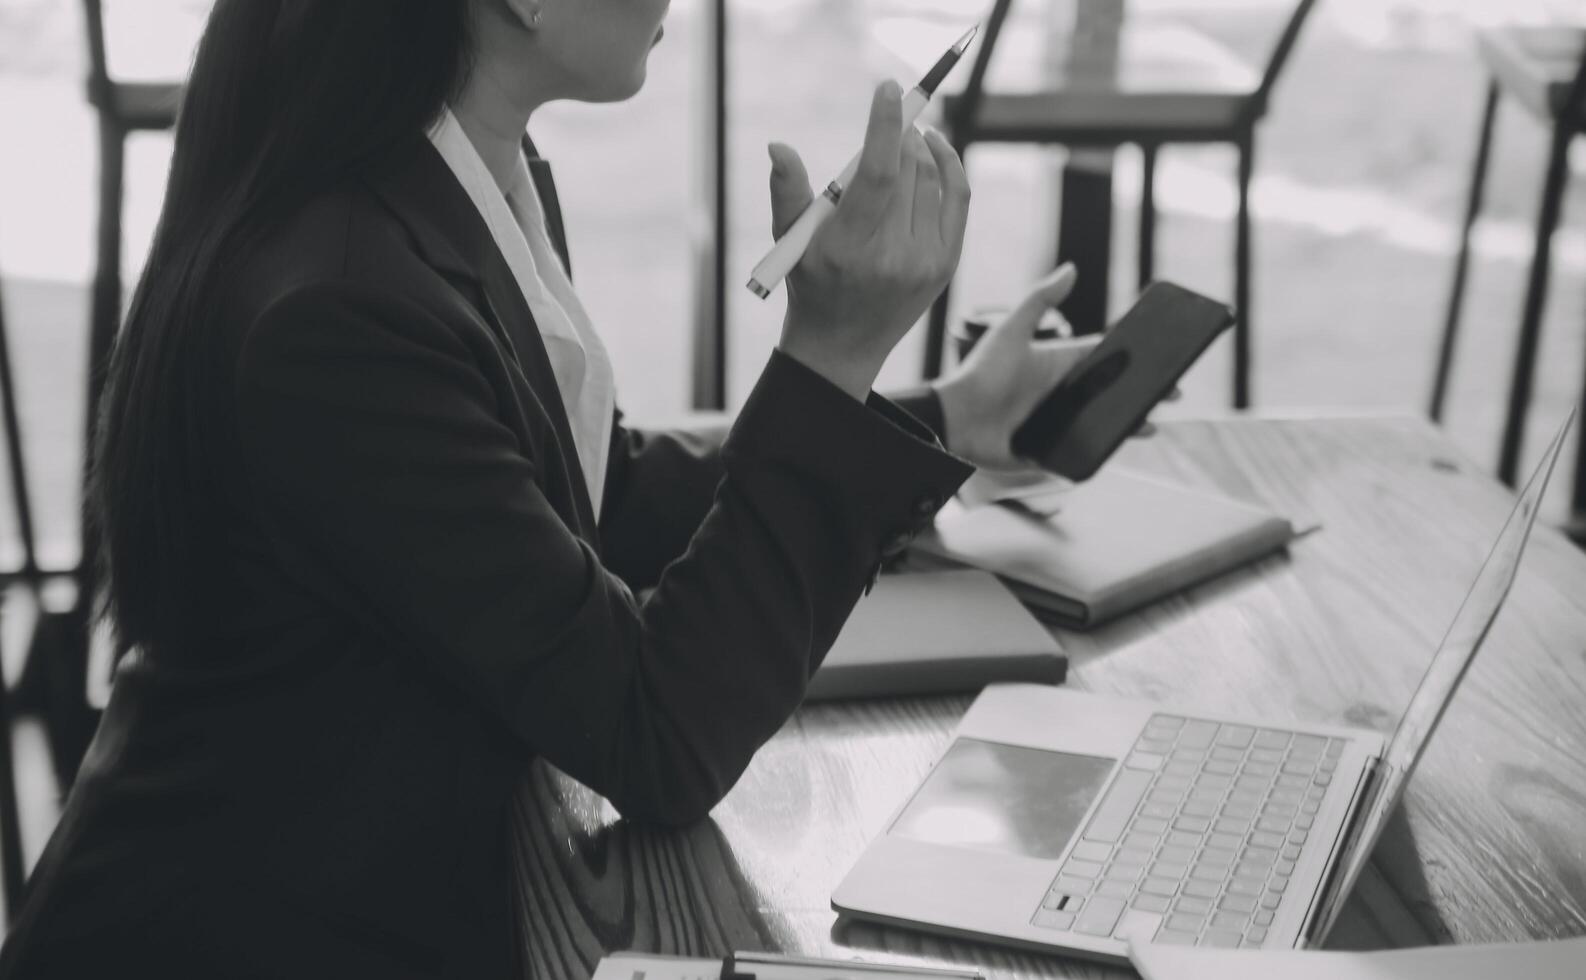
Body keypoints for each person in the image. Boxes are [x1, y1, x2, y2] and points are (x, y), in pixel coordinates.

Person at [0, 1, 1098, 976]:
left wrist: (950, 412)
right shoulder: (337, 310)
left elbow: (593, 495)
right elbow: (653, 732)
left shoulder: (452, 179)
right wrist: (829, 355)